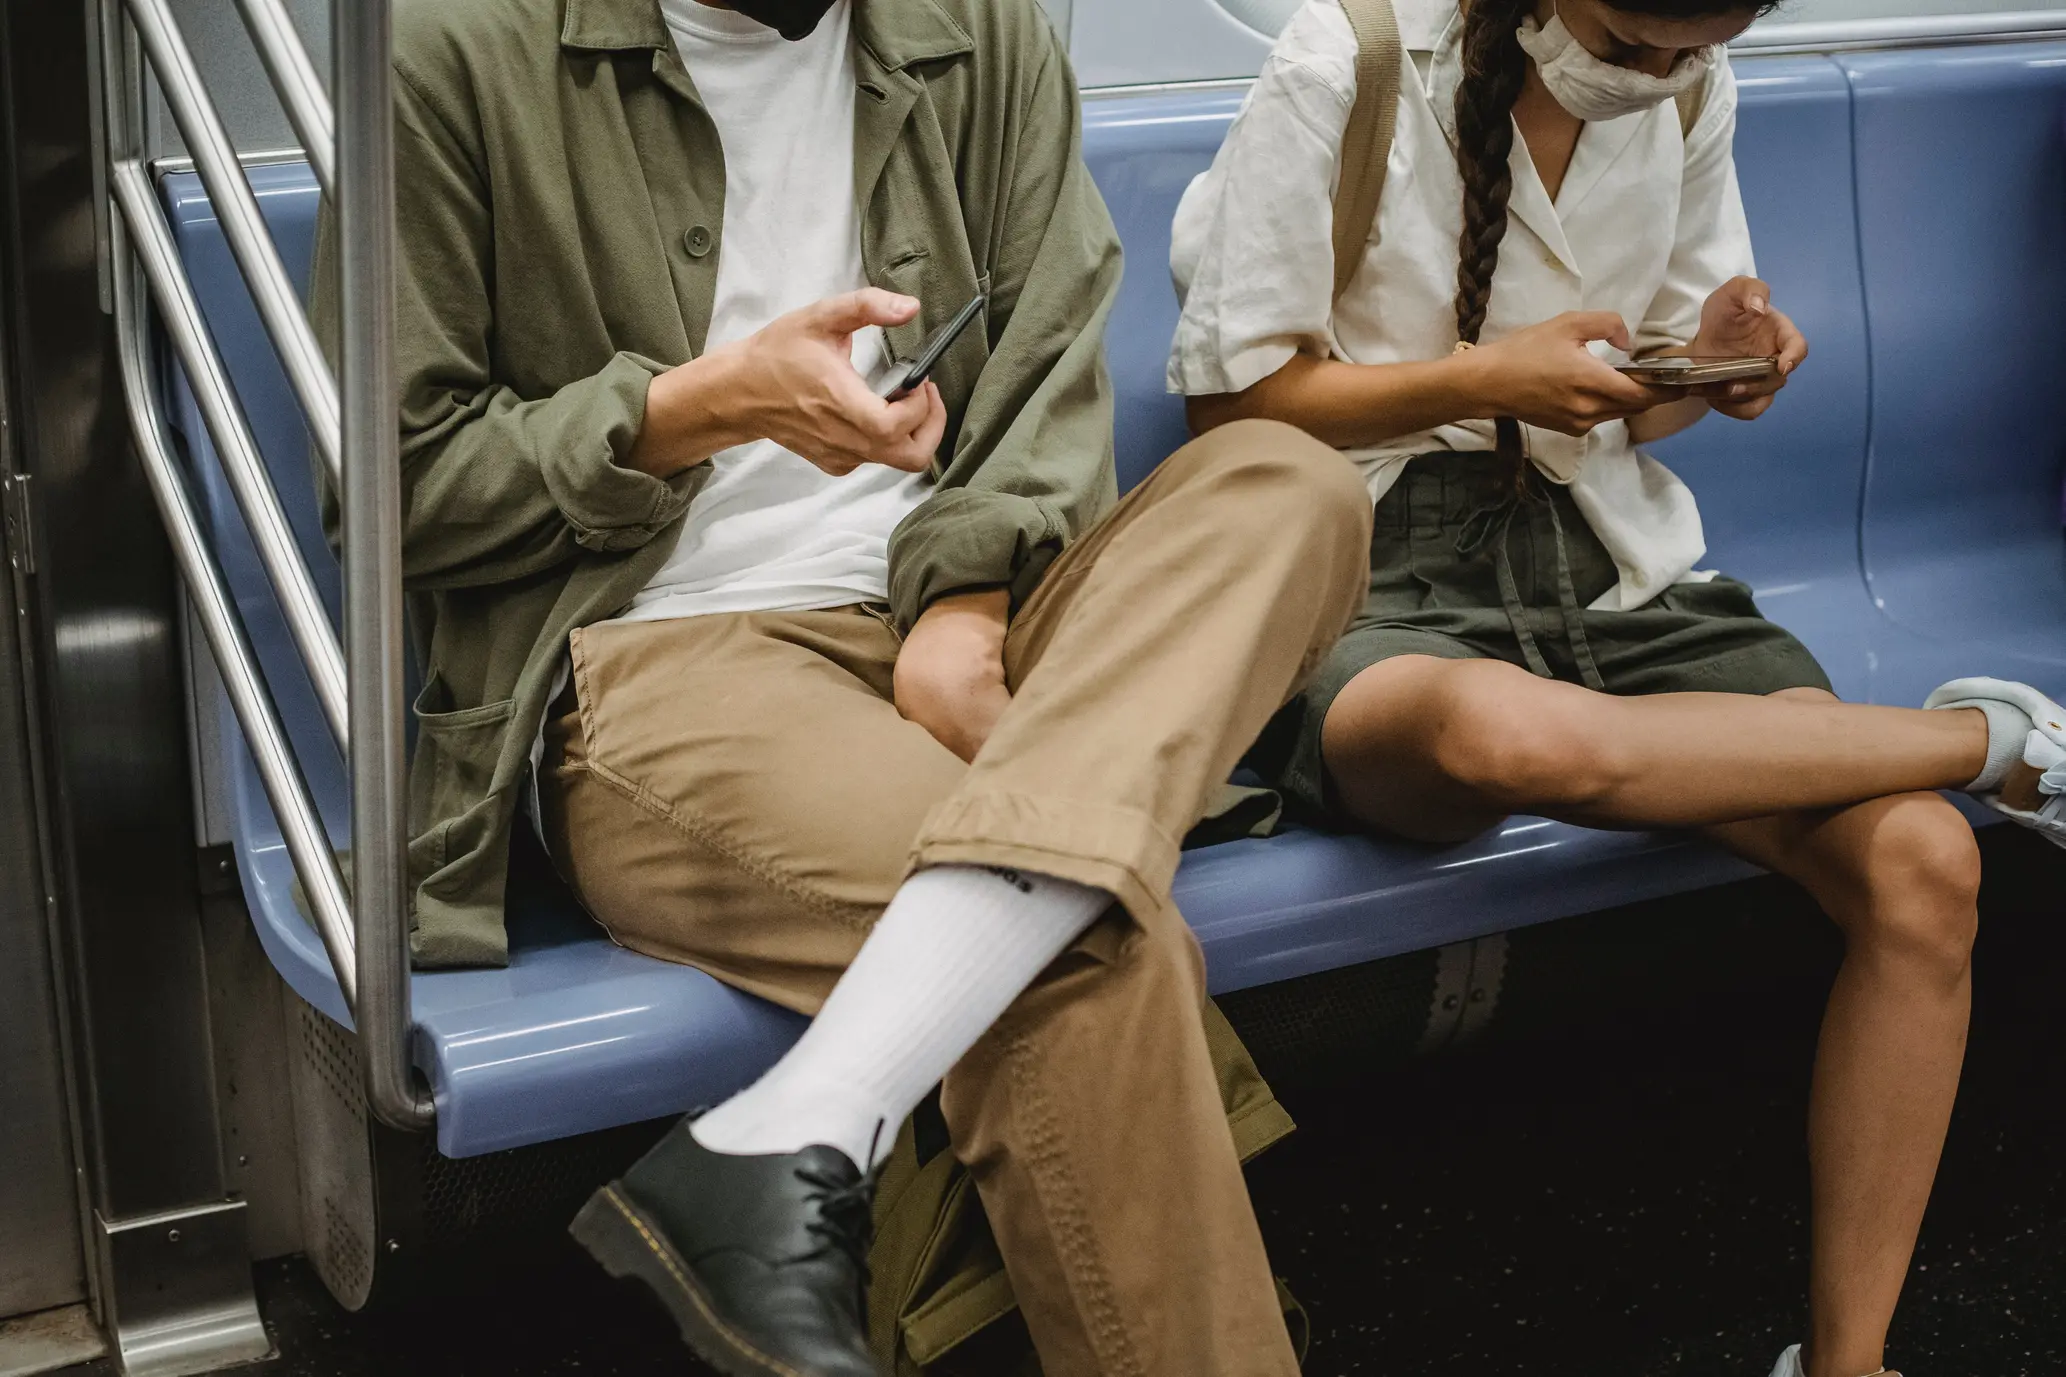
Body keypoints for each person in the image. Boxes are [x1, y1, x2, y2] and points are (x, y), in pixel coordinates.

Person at [314, 0, 1376, 1373]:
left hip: (980, 619)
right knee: (1083, 944)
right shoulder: (451, 51)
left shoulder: (972, 33)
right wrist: (692, 409)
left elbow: (1050, 387)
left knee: (1285, 486)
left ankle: (803, 1114)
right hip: (666, 652)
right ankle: (805, 1125)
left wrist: (964, 610)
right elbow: (390, 498)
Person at [1166, 0, 2066, 1374]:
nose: (1652, 75)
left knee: (1923, 865)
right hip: (1353, 569)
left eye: (1687, 51)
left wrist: (1717, 368)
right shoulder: (1343, 59)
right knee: (1489, 734)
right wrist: (1478, 380)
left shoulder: (1689, 89)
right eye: (1628, 39)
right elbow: (1232, 411)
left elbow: (1633, 399)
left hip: (1599, 560)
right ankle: (1991, 736)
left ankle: (1843, 1363)